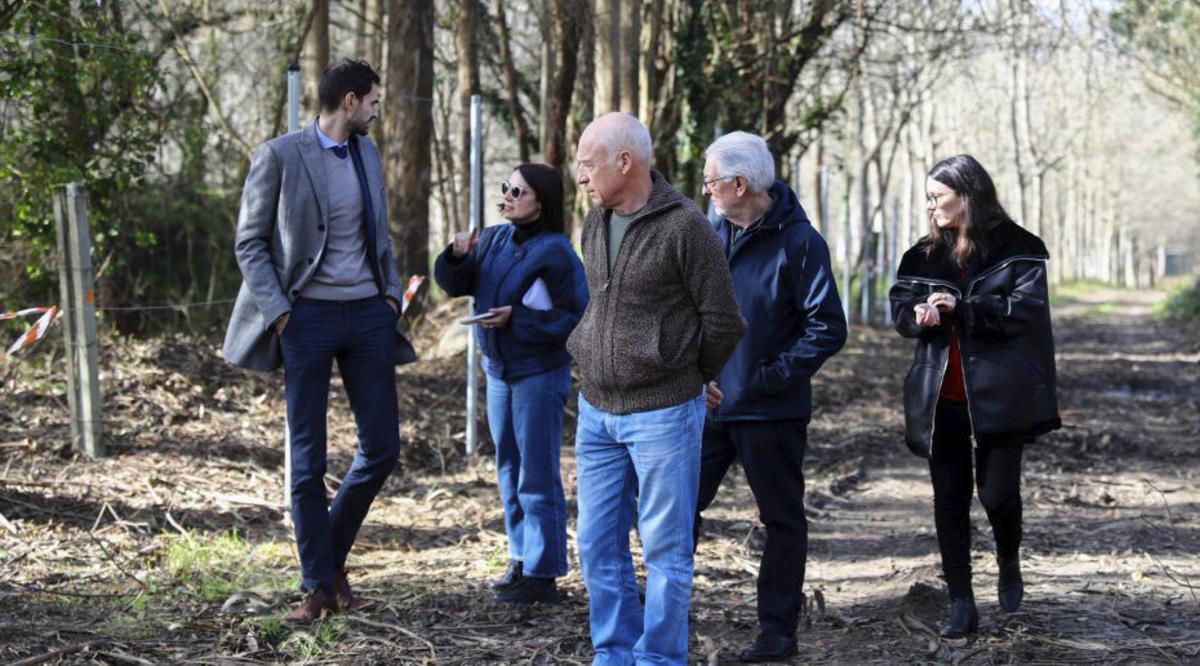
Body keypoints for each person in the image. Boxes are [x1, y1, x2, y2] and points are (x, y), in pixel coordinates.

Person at [222, 59, 413, 623]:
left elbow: (381, 237)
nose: (377, 112)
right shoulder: (280, 155)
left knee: (383, 447)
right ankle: (318, 585)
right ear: (349, 101)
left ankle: (326, 564)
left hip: (369, 317)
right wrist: (281, 313)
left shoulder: (367, 154)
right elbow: (250, 243)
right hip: (306, 319)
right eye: (373, 101)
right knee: (306, 459)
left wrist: (391, 297)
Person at [568, 112, 746, 665]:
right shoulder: (594, 222)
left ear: (626, 162)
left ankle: (659, 658)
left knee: (666, 548)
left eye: (588, 164)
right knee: (597, 543)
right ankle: (614, 653)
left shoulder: (686, 227)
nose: (580, 176)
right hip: (596, 409)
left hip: (663, 414)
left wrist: (694, 375)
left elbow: (724, 320)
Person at [889, 154, 1060, 638]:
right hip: (940, 395)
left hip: (1000, 395)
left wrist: (963, 307)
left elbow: (1026, 311)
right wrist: (920, 314)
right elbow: (900, 311)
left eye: (937, 197)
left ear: (967, 195)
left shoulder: (1021, 248)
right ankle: (961, 601)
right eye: (927, 198)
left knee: (998, 495)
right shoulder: (920, 257)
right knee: (949, 497)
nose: (930, 207)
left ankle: (1008, 560)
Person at [692, 132, 846, 662]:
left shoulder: (800, 243)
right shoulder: (712, 233)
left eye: (711, 181)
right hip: (709, 405)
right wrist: (696, 374)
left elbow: (828, 328)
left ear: (740, 184)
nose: (706, 190)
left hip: (770, 410)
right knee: (677, 509)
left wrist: (769, 378)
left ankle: (777, 633)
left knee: (781, 520)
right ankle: (662, 617)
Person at [433, 164, 588, 605]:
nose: (507, 197)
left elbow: (575, 317)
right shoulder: (495, 239)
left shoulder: (557, 252)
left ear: (542, 200)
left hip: (539, 372)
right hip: (499, 369)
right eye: (506, 188)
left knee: (536, 472)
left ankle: (543, 571)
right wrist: (456, 256)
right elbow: (457, 285)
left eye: (518, 191)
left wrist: (516, 319)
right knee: (509, 467)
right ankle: (520, 556)